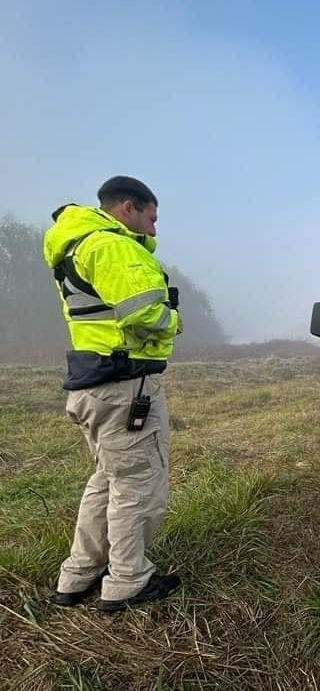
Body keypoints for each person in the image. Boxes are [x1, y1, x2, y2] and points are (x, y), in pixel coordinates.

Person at [43, 175, 182, 612]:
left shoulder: (74, 246)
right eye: (151, 218)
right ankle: (128, 580)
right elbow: (143, 312)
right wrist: (174, 320)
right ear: (128, 208)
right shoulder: (111, 245)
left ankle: (80, 572)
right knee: (139, 486)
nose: (154, 230)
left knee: (107, 480)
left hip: (94, 385)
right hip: (125, 386)